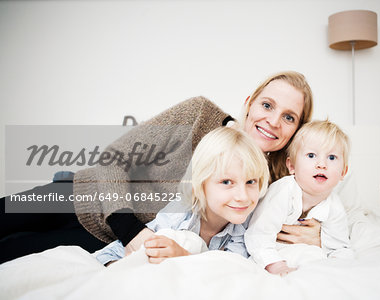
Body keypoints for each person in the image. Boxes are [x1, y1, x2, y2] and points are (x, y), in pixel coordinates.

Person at [0, 71, 319, 263]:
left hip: (105, 242)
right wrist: (131, 231)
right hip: (78, 196)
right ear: (250, 102)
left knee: (12, 254)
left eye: (289, 117)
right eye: (267, 105)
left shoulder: (272, 184)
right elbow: (114, 158)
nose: (273, 121)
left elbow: (276, 231)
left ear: (296, 129)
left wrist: (318, 237)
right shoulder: (200, 114)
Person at [96, 126, 269, 266]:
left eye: (251, 181)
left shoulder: (246, 223)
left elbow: (231, 270)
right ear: (199, 185)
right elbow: (107, 256)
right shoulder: (178, 216)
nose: (242, 196)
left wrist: (186, 258)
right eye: (226, 182)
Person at [245, 120, 354, 276]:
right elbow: (258, 235)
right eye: (311, 155)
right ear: (292, 166)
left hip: (308, 258)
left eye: (331, 158)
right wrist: (277, 266)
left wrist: (341, 266)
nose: (321, 164)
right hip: (271, 255)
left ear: (343, 172)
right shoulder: (283, 192)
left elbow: (339, 247)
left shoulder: (334, 205)